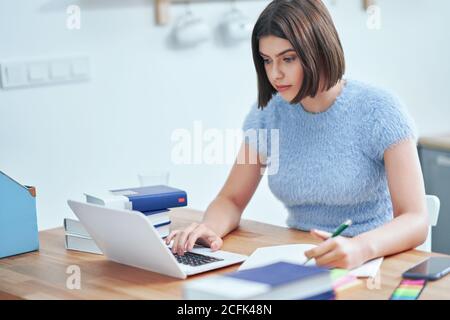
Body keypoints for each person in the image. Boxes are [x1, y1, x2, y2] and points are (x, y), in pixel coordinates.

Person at [166, 0, 429, 270]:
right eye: (267, 61)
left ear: (318, 49)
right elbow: (231, 199)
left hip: (373, 261)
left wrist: (360, 247)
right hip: (302, 259)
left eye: (288, 59)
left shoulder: (380, 110)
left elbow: (415, 218)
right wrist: (208, 227)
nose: (275, 74)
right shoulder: (268, 116)